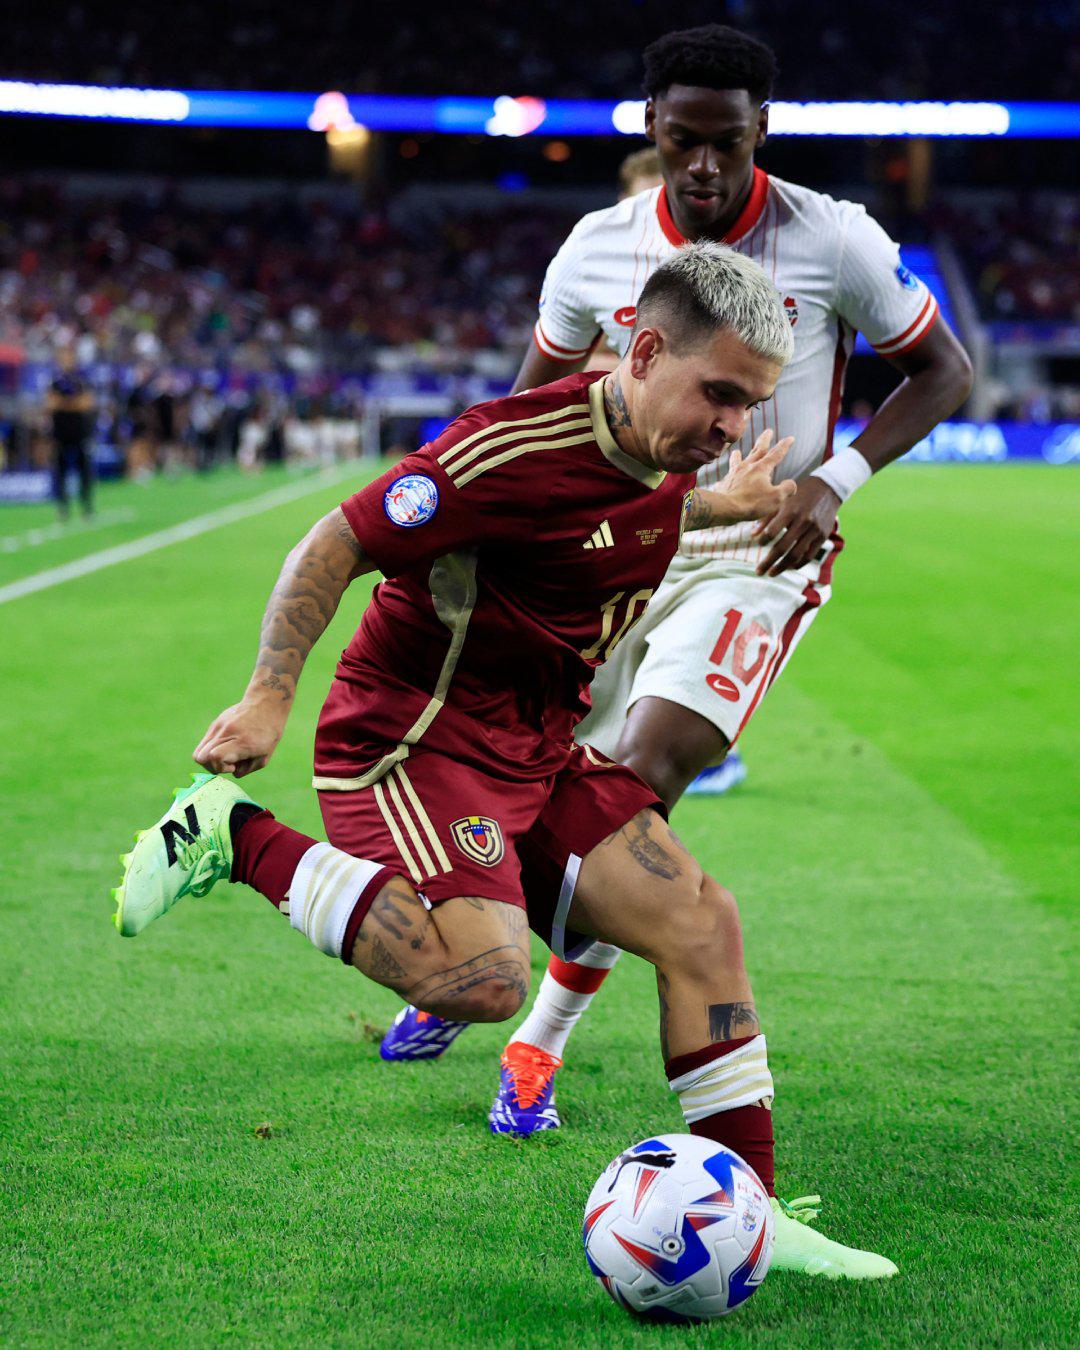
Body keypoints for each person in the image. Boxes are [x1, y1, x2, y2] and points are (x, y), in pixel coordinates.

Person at [113, 244, 895, 1279]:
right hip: (414, 738)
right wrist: (268, 694)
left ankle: (748, 1211)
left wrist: (725, 504)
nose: (731, 427)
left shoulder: (660, 457)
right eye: (718, 394)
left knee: (701, 923)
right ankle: (226, 833)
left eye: (748, 403)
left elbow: (619, 524)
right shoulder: (507, 452)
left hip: (535, 748)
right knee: (478, 980)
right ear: (645, 350)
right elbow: (335, 542)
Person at [381, 24, 974, 1129]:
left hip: (763, 552)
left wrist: (833, 480)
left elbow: (945, 370)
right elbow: (525, 409)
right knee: (537, 775)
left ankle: (533, 1041)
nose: (705, 168)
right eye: (684, 142)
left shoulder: (832, 238)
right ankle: (479, 947)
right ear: (651, 131)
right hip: (617, 550)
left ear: (763, 133)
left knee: (638, 778)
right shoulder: (596, 248)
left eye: (729, 145)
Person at [46, 351, 96, 519]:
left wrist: (64, 403)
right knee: (61, 470)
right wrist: (73, 403)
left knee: (84, 470)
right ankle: (63, 507)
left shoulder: (81, 380)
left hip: (80, 432)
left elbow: (86, 404)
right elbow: (51, 404)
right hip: (60, 432)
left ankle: (86, 506)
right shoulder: (55, 382)